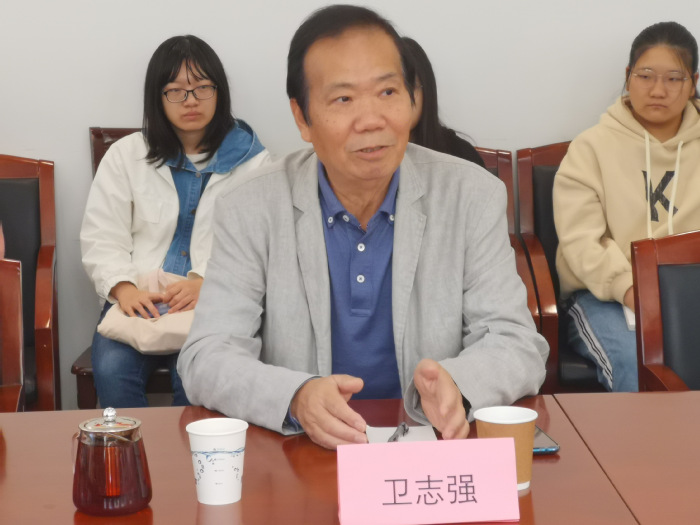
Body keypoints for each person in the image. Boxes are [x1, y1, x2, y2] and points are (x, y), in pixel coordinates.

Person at [178, 5, 548, 449]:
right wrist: (295, 397)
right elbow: (207, 355)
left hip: (428, 454)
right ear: (302, 118)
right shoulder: (250, 206)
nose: (371, 119)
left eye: (388, 91)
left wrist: (461, 384)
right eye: (343, 99)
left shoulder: (472, 195)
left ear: (412, 100)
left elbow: (516, 342)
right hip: (305, 452)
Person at [81, 35, 270, 408]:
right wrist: (124, 289)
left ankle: (186, 451)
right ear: (157, 97)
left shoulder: (255, 164)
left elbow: (260, 245)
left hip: (212, 304)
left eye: (202, 88)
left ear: (219, 92)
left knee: (198, 386)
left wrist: (208, 283)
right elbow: (102, 236)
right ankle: (135, 450)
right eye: (176, 91)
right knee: (112, 373)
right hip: (139, 300)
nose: (191, 100)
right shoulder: (125, 156)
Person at [554, 21, 700, 392]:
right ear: (628, 76)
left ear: (693, 83)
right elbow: (582, 241)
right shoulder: (591, 148)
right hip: (605, 295)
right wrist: (632, 290)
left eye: (674, 79)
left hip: (690, 292)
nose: (658, 90)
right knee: (636, 367)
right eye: (646, 76)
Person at [402, 36, 485, 168]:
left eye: (410, 87)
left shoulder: (461, 155)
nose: (401, 98)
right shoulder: (371, 153)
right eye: (389, 91)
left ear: (426, 89)